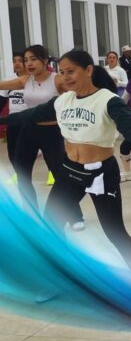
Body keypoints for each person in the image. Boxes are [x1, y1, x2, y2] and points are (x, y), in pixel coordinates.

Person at [0, 50, 131, 302]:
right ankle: (56, 281)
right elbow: (27, 116)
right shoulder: (63, 100)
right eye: (63, 72)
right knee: (51, 227)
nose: (66, 77)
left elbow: (128, 125)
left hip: (101, 173)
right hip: (70, 172)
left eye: (71, 71)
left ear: (88, 70)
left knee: (114, 231)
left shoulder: (108, 100)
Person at [0, 45, 85, 229]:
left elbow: (78, 92)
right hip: (28, 131)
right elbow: (2, 85)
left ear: (45, 60)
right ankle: (31, 216)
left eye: (33, 59)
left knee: (61, 176)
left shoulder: (57, 80)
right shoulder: (25, 80)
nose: (28, 63)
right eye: (26, 60)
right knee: (22, 175)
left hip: (52, 133)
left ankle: (75, 215)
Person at [1, 53, 28, 185]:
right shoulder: (10, 80)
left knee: (29, 151)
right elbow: (1, 100)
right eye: (14, 61)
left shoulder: (33, 79)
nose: (17, 63)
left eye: (20, 61)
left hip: (29, 121)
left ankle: (52, 173)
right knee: (12, 151)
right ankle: (19, 174)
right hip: (13, 121)